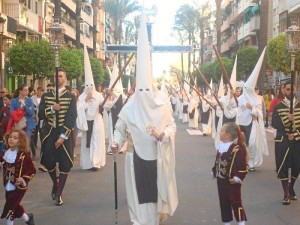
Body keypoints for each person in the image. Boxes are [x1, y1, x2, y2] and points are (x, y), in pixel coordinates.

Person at [111, 9, 178, 225]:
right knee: (137, 193)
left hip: (157, 155)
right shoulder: (129, 106)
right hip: (133, 157)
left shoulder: (161, 106)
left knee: (155, 191)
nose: (142, 95)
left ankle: (155, 218)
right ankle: (139, 221)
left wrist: (163, 134)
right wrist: (115, 142)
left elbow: (172, 126)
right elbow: (119, 129)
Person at [38, 68, 77, 206]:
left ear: (65, 79)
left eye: (61, 76)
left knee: (65, 164)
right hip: (49, 133)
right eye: (56, 76)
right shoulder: (46, 95)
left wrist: (62, 137)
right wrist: (52, 109)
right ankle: (56, 183)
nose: (58, 78)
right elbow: (41, 114)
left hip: (63, 134)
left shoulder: (70, 96)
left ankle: (59, 193)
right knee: (48, 162)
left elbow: (72, 117)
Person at [237, 48, 269, 171]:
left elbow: (260, 113)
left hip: (253, 124)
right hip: (242, 123)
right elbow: (239, 110)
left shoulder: (257, 99)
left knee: (253, 144)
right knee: (242, 144)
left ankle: (252, 163)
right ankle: (243, 162)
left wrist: (253, 108)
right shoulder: (241, 98)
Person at [212, 122, 249, 225]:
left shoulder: (236, 149)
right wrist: (215, 171)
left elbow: (242, 166)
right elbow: (217, 161)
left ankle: (241, 222)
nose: (219, 133)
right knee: (224, 202)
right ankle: (226, 222)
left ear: (227, 135)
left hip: (232, 181)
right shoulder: (221, 146)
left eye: (221, 131)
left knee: (236, 202)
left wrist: (237, 178)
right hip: (221, 181)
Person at [77, 46, 106, 171]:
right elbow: (79, 108)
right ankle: (88, 163)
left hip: (96, 122)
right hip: (86, 123)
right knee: (87, 144)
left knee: (96, 141)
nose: (89, 87)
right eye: (87, 85)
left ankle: (96, 162)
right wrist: (86, 99)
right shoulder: (82, 96)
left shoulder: (99, 95)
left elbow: (103, 106)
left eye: (91, 85)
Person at [271, 82, 300, 205]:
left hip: (297, 141)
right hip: (283, 141)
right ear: (283, 91)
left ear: (295, 90)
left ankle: (291, 187)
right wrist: (288, 120)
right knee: (283, 167)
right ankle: (286, 193)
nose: (290, 92)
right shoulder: (278, 107)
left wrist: (296, 135)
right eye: (288, 89)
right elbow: (275, 124)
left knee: (296, 167)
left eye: (292, 89)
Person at [0, 129, 36, 225]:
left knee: (10, 207)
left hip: (19, 187)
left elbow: (32, 170)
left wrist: (23, 179)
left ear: (20, 141)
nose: (11, 139)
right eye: (10, 137)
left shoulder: (24, 156)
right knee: (15, 205)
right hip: (7, 184)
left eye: (15, 138)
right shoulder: (5, 152)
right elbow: (1, 161)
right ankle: (28, 219)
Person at [30, 87, 44, 159]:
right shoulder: (32, 98)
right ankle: (35, 144)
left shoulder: (44, 98)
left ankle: (42, 145)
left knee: (41, 131)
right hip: (34, 118)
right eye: (38, 91)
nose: (39, 93)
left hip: (41, 118)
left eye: (41, 91)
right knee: (34, 132)